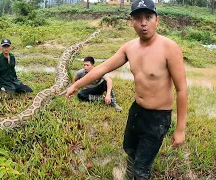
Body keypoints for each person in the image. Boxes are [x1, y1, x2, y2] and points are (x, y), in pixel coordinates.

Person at [63, 0, 188, 179]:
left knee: (142, 167)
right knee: (130, 149)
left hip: (158, 118)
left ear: (157, 20)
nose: (143, 22)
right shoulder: (130, 48)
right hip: (137, 110)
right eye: (138, 18)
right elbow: (102, 68)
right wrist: (75, 85)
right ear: (132, 22)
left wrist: (180, 129)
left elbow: (181, 90)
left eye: (148, 17)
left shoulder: (170, 48)